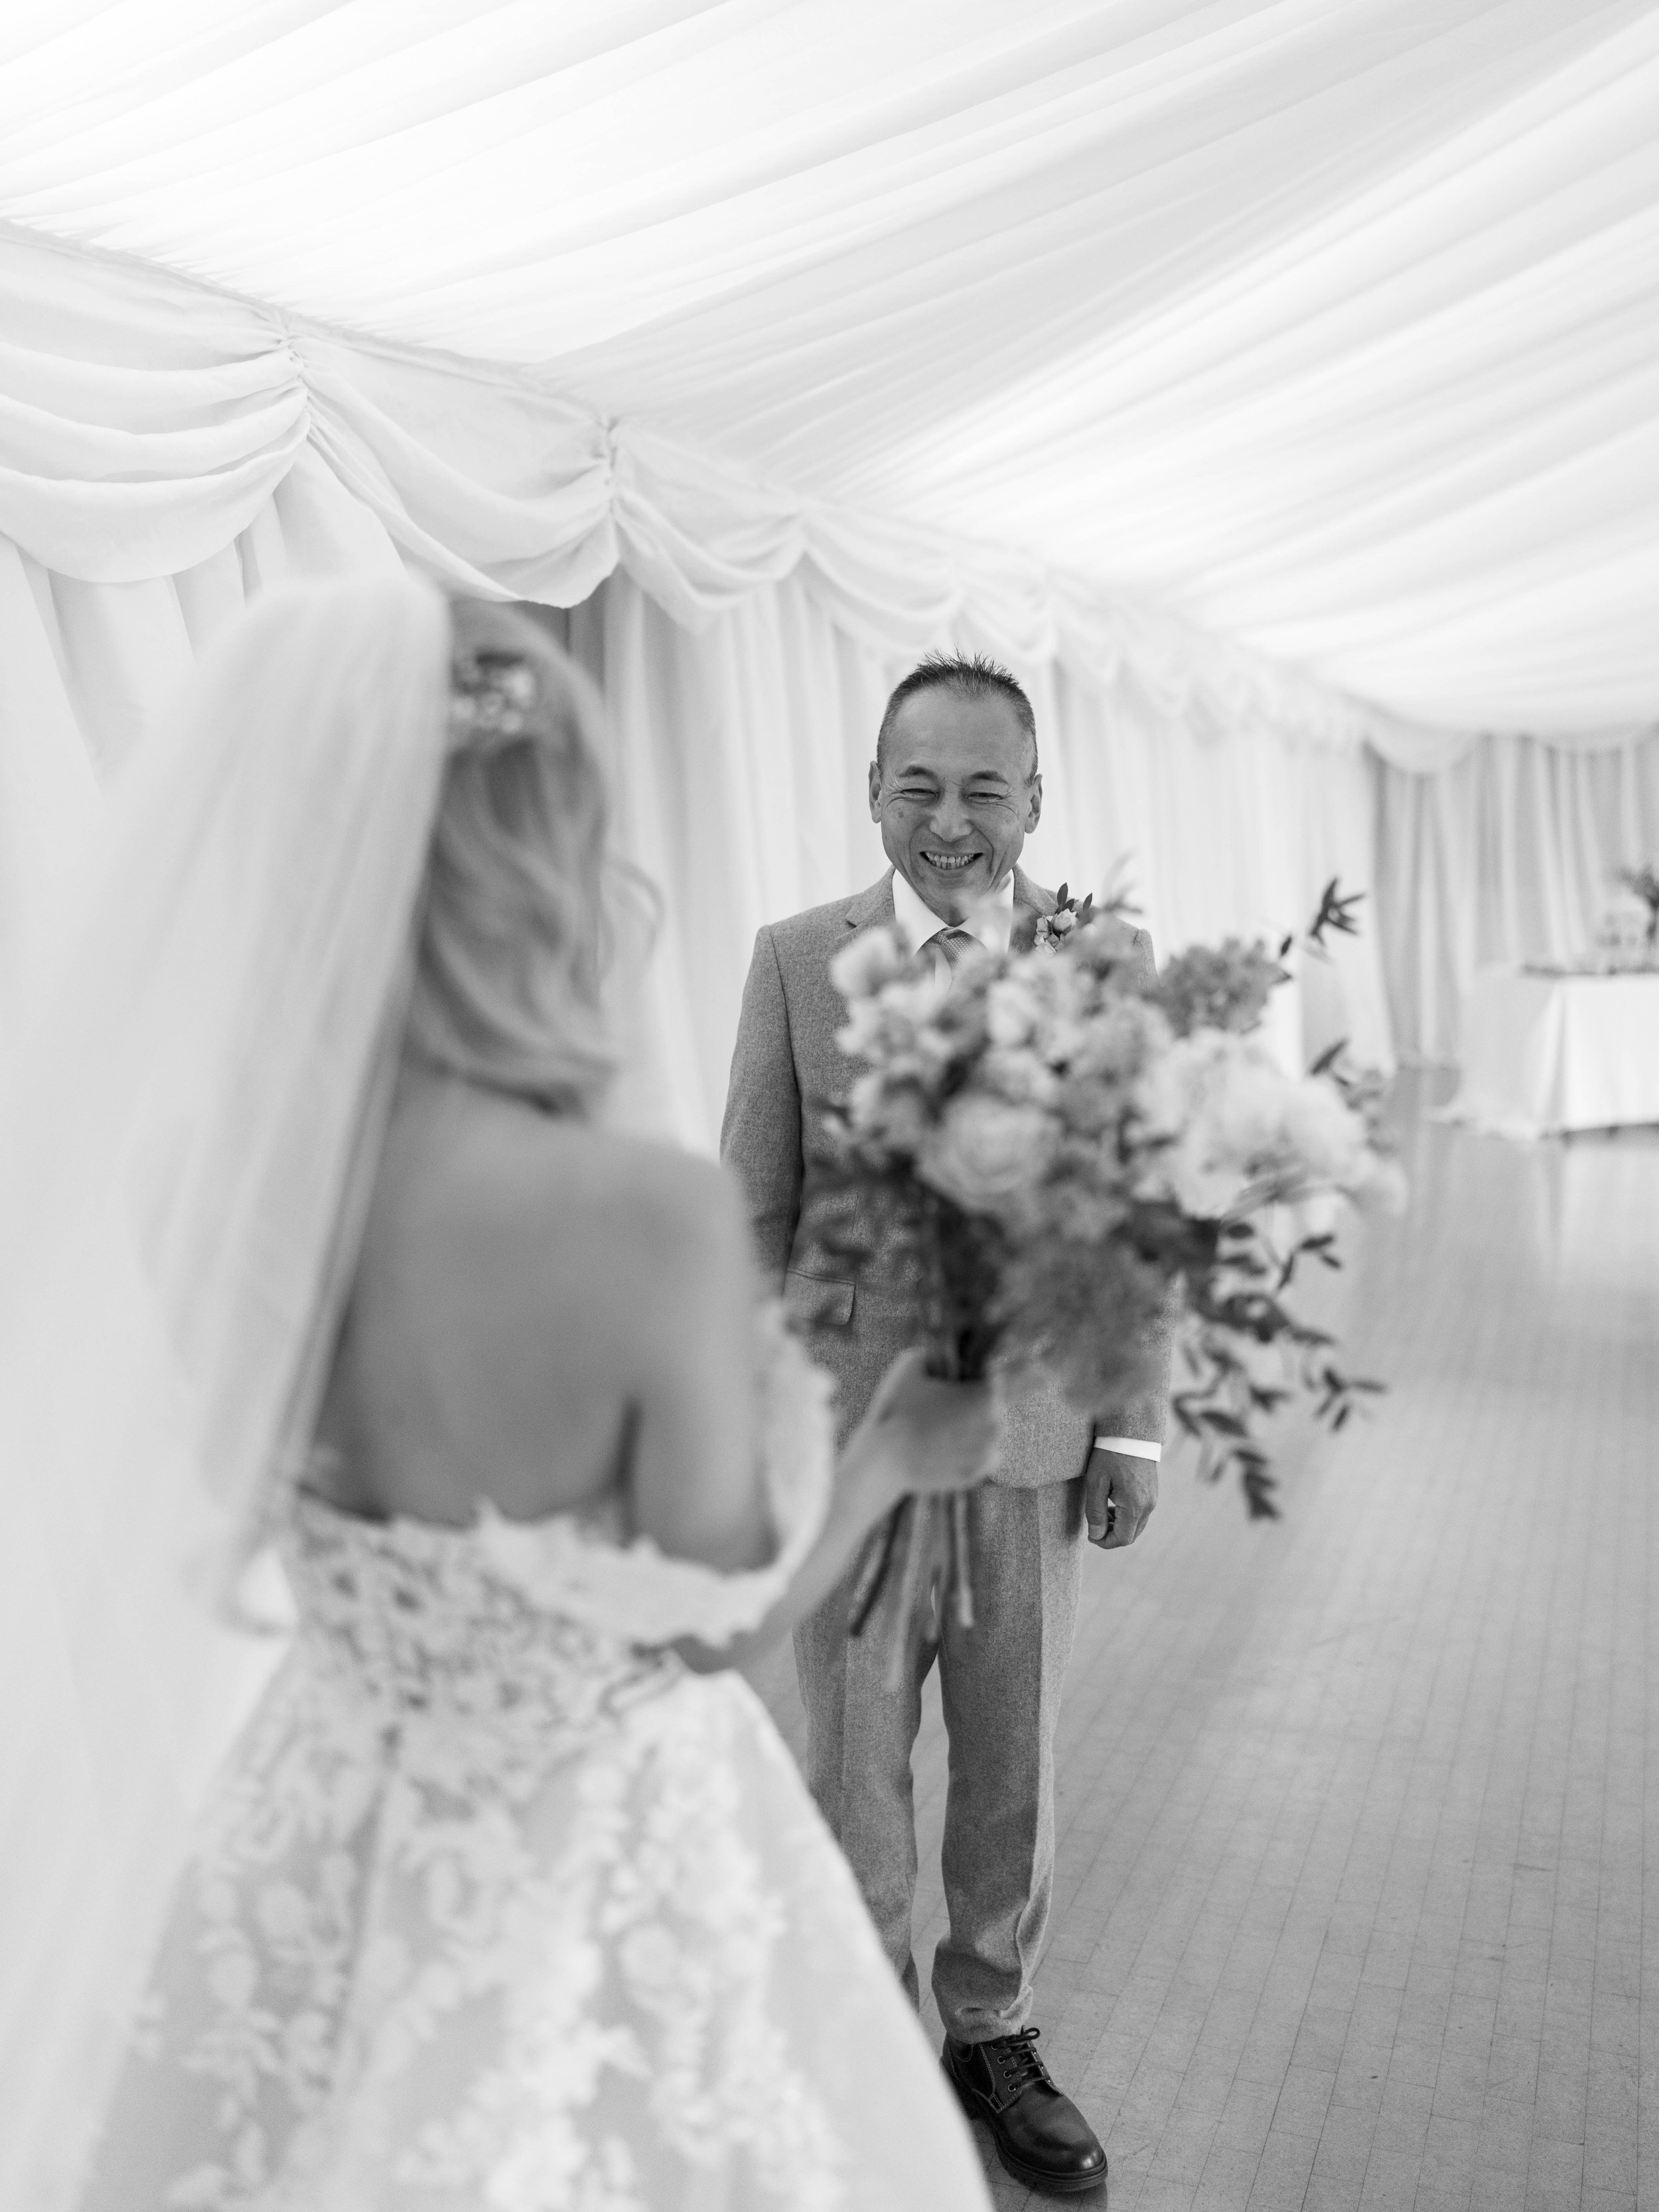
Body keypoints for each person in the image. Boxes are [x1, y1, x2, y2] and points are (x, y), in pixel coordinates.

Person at [0, 581, 1005, 2211]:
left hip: (314, 1813)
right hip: (580, 1855)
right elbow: (695, 1627)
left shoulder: (195, 1179)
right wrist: (890, 1453)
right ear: (540, 859)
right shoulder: (635, 1215)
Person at [721, 651, 1171, 2197]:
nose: (952, 819)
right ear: (871, 791)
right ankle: (860, 2029)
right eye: (918, 784)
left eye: (986, 787)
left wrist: (1132, 1426)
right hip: (848, 1448)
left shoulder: (1099, 959)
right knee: (853, 1760)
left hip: (1033, 1439)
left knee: (1007, 1759)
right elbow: (750, 1210)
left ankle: (991, 2026)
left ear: (1035, 799)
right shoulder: (794, 959)